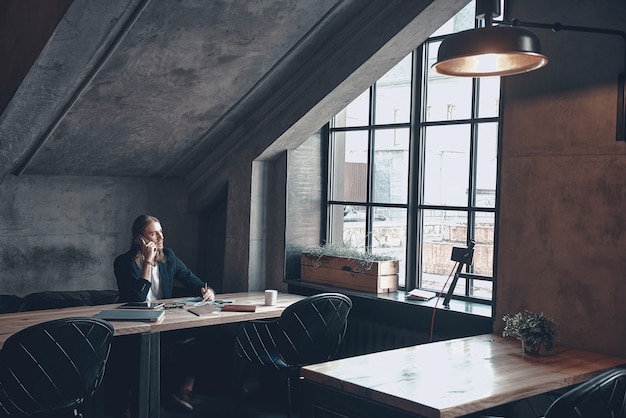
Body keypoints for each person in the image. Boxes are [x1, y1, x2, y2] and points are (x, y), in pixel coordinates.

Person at [113, 214, 215, 414]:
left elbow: (191, 279)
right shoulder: (123, 263)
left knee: (208, 333)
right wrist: (147, 263)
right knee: (131, 353)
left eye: (161, 232)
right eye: (153, 233)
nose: (160, 238)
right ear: (139, 239)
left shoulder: (169, 256)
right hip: (136, 325)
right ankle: (128, 406)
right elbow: (137, 300)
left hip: (164, 322)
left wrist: (205, 290)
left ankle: (185, 389)